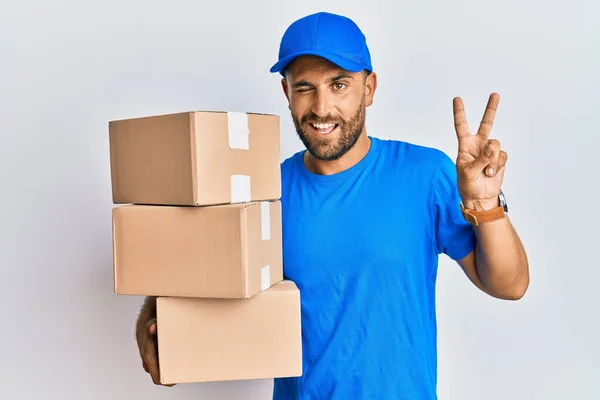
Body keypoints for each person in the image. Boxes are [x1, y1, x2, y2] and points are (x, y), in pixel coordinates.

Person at [135, 11, 530, 399]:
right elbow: (197, 278)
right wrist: (155, 324)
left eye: (339, 85)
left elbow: (509, 285)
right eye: (305, 87)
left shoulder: (424, 174)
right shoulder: (264, 193)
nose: (321, 108)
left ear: (369, 88)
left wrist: (484, 201)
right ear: (287, 93)